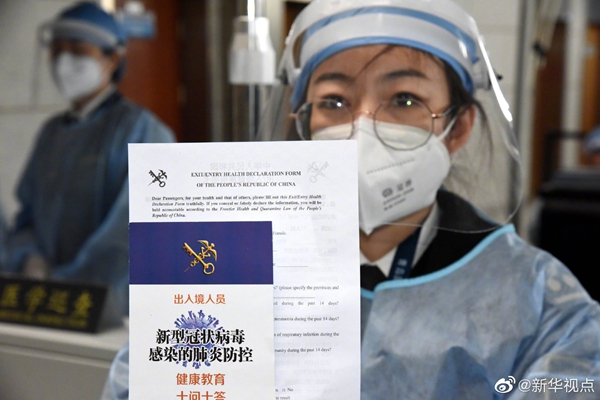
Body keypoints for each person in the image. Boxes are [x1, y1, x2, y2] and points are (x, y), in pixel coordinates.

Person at [102, 0, 600, 398]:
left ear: (457, 127)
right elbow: (141, 384)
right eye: (334, 101)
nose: (362, 127)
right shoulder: (225, 264)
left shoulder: (535, 295)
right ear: (303, 123)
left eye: (404, 99)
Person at [2, 2, 175, 317]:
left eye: (78, 51)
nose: (63, 62)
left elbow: (130, 235)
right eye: (57, 51)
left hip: (112, 310)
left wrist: (69, 285)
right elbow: (28, 215)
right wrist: (30, 259)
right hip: (46, 306)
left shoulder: (142, 132)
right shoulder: (52, 133)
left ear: (113, 59)